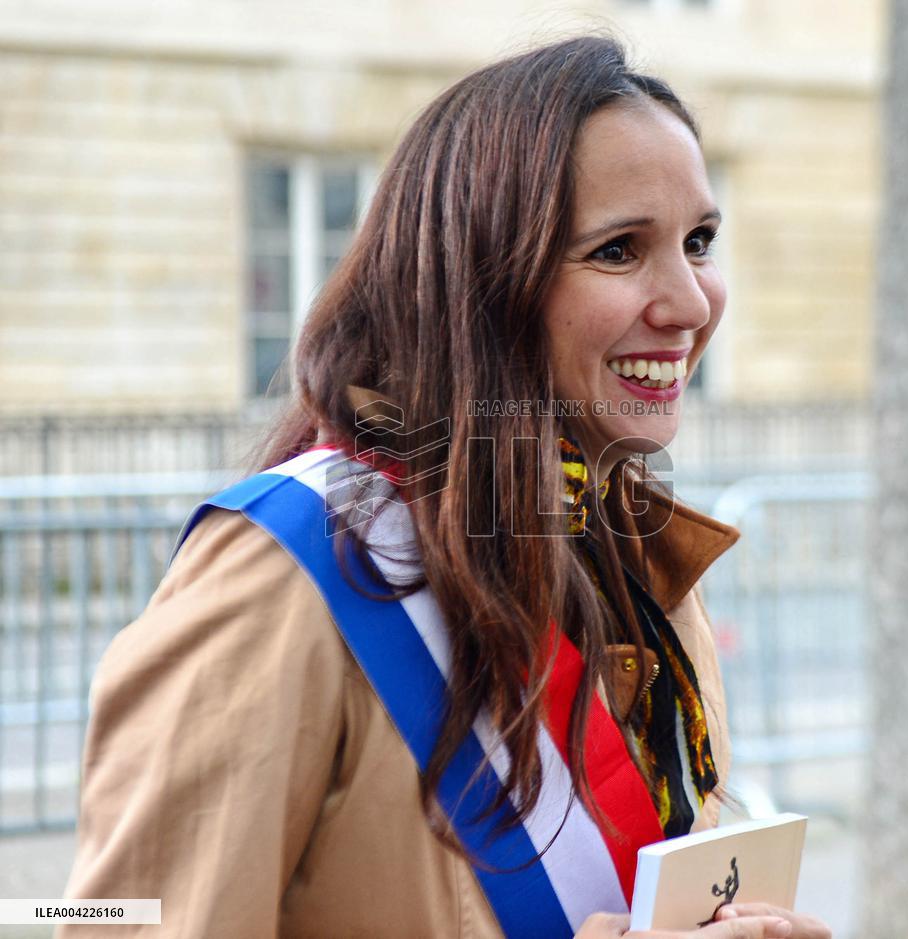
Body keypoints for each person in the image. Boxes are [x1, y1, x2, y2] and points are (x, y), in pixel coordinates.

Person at [58, 35, 832, 939]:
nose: (691, 302)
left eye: (699, 241)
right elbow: (107, 918)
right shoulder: (287, 570)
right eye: (619, 250)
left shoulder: (631, 562)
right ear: (480, 282)